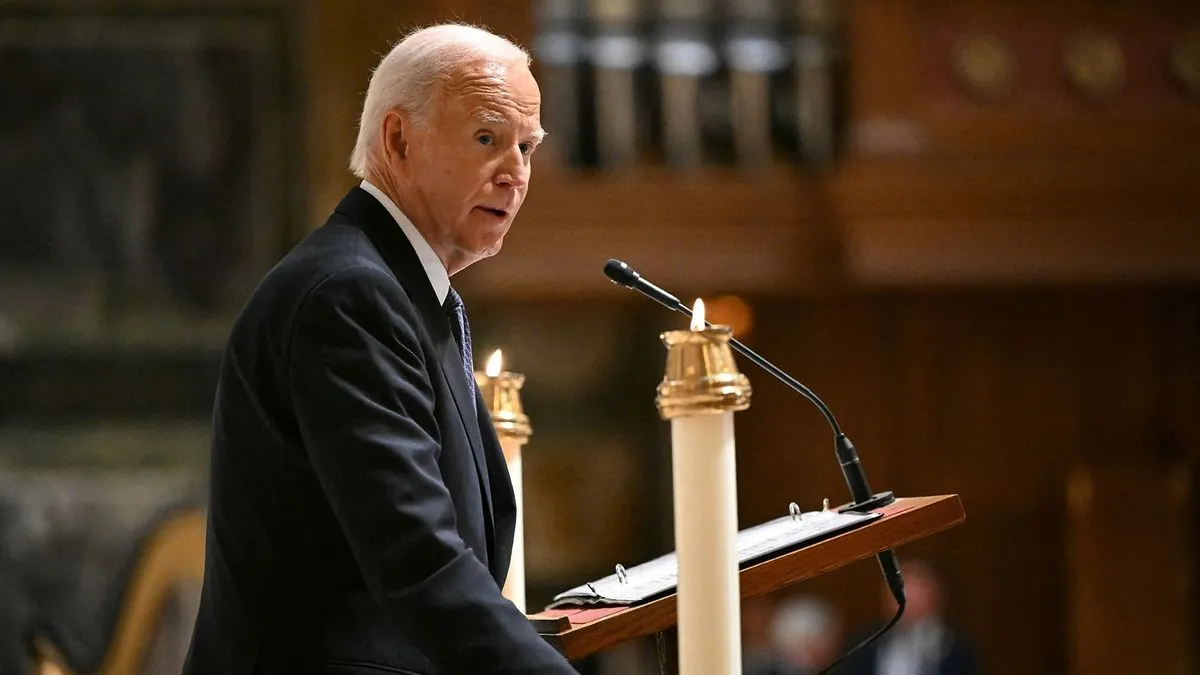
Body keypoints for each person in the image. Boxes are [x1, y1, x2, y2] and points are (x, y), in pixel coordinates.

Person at [183, 23, 579, 675]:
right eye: (488, 139)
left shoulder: (399, 289)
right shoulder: (349, 296)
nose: (516, 174)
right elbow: (418, 557)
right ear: (399, 139)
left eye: (527, 147)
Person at [847, 560, 978, 675]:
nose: (908, 611)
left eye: (916, 600)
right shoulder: (865, 645)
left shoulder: (956, 650)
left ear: (934, 599)